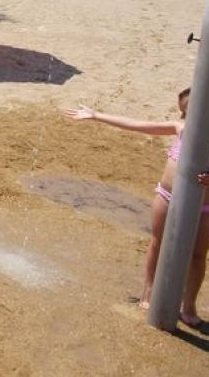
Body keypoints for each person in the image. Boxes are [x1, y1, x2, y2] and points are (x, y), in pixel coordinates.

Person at [63, 89, 209, 327]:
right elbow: (139, 125)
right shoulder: (180, 129)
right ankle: (149, 290)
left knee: (197, 255)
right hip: (166, 196)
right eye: (184, 112)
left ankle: (189, 303)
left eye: (189, 111)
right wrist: (96, 115)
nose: (185, 117)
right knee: (157, 242)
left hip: (204, 207)